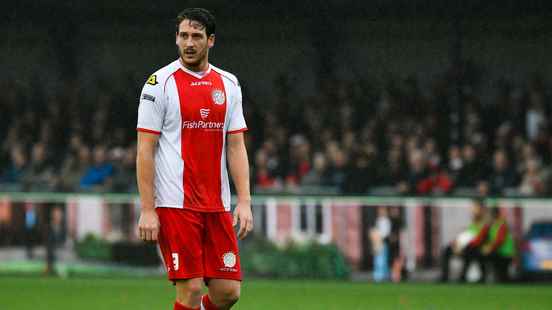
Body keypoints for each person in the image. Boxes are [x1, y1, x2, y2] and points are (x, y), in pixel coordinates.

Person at [136, 8, 252, 310]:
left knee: (228, 292)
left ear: (210, 41)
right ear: (176, 38)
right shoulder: (158, 84)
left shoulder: (229, 84)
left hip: (216, 205)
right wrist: (148, 209)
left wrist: (245, 201)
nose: (189, 43)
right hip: (176, 204)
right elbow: (145, 150)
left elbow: (236, 146)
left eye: (196, 36)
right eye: (183, 36)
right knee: (191, 288)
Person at [439, 199, 490, 282]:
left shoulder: (486, 222)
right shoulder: (474, 222)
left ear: (482, 209)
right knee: (447, 249)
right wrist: (456, 244)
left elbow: (479, 239)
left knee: (470, 250)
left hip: (478, 248)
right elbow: (466, 234)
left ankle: (463, 277)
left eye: (475, 208)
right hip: (470, 246)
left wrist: (461, 247)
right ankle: (444, 277)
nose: (472, 210)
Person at [481, 207, 515, 282]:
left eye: (488, 215)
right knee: (502, 276)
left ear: (493, 215)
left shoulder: (501, 225)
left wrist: (489, 248)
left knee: (503, 277)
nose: (486, 217)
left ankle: (485, 278)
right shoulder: (492, 225)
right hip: (499, 252)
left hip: (505, 254)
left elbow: (500, 240)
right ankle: (485, 277)